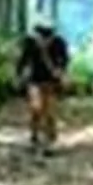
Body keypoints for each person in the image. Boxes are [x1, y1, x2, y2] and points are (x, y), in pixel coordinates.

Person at [14, 18, 70, 152]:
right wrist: (19, 74)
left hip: (50, 81)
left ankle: (49, 140)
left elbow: (65, 60)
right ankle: (35, 137)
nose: (45, 36)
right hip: (35, 80)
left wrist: (60, 71)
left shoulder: (58, 42)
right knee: (36, 109)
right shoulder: (30, 42)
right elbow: (23, 60)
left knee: (49, 110)